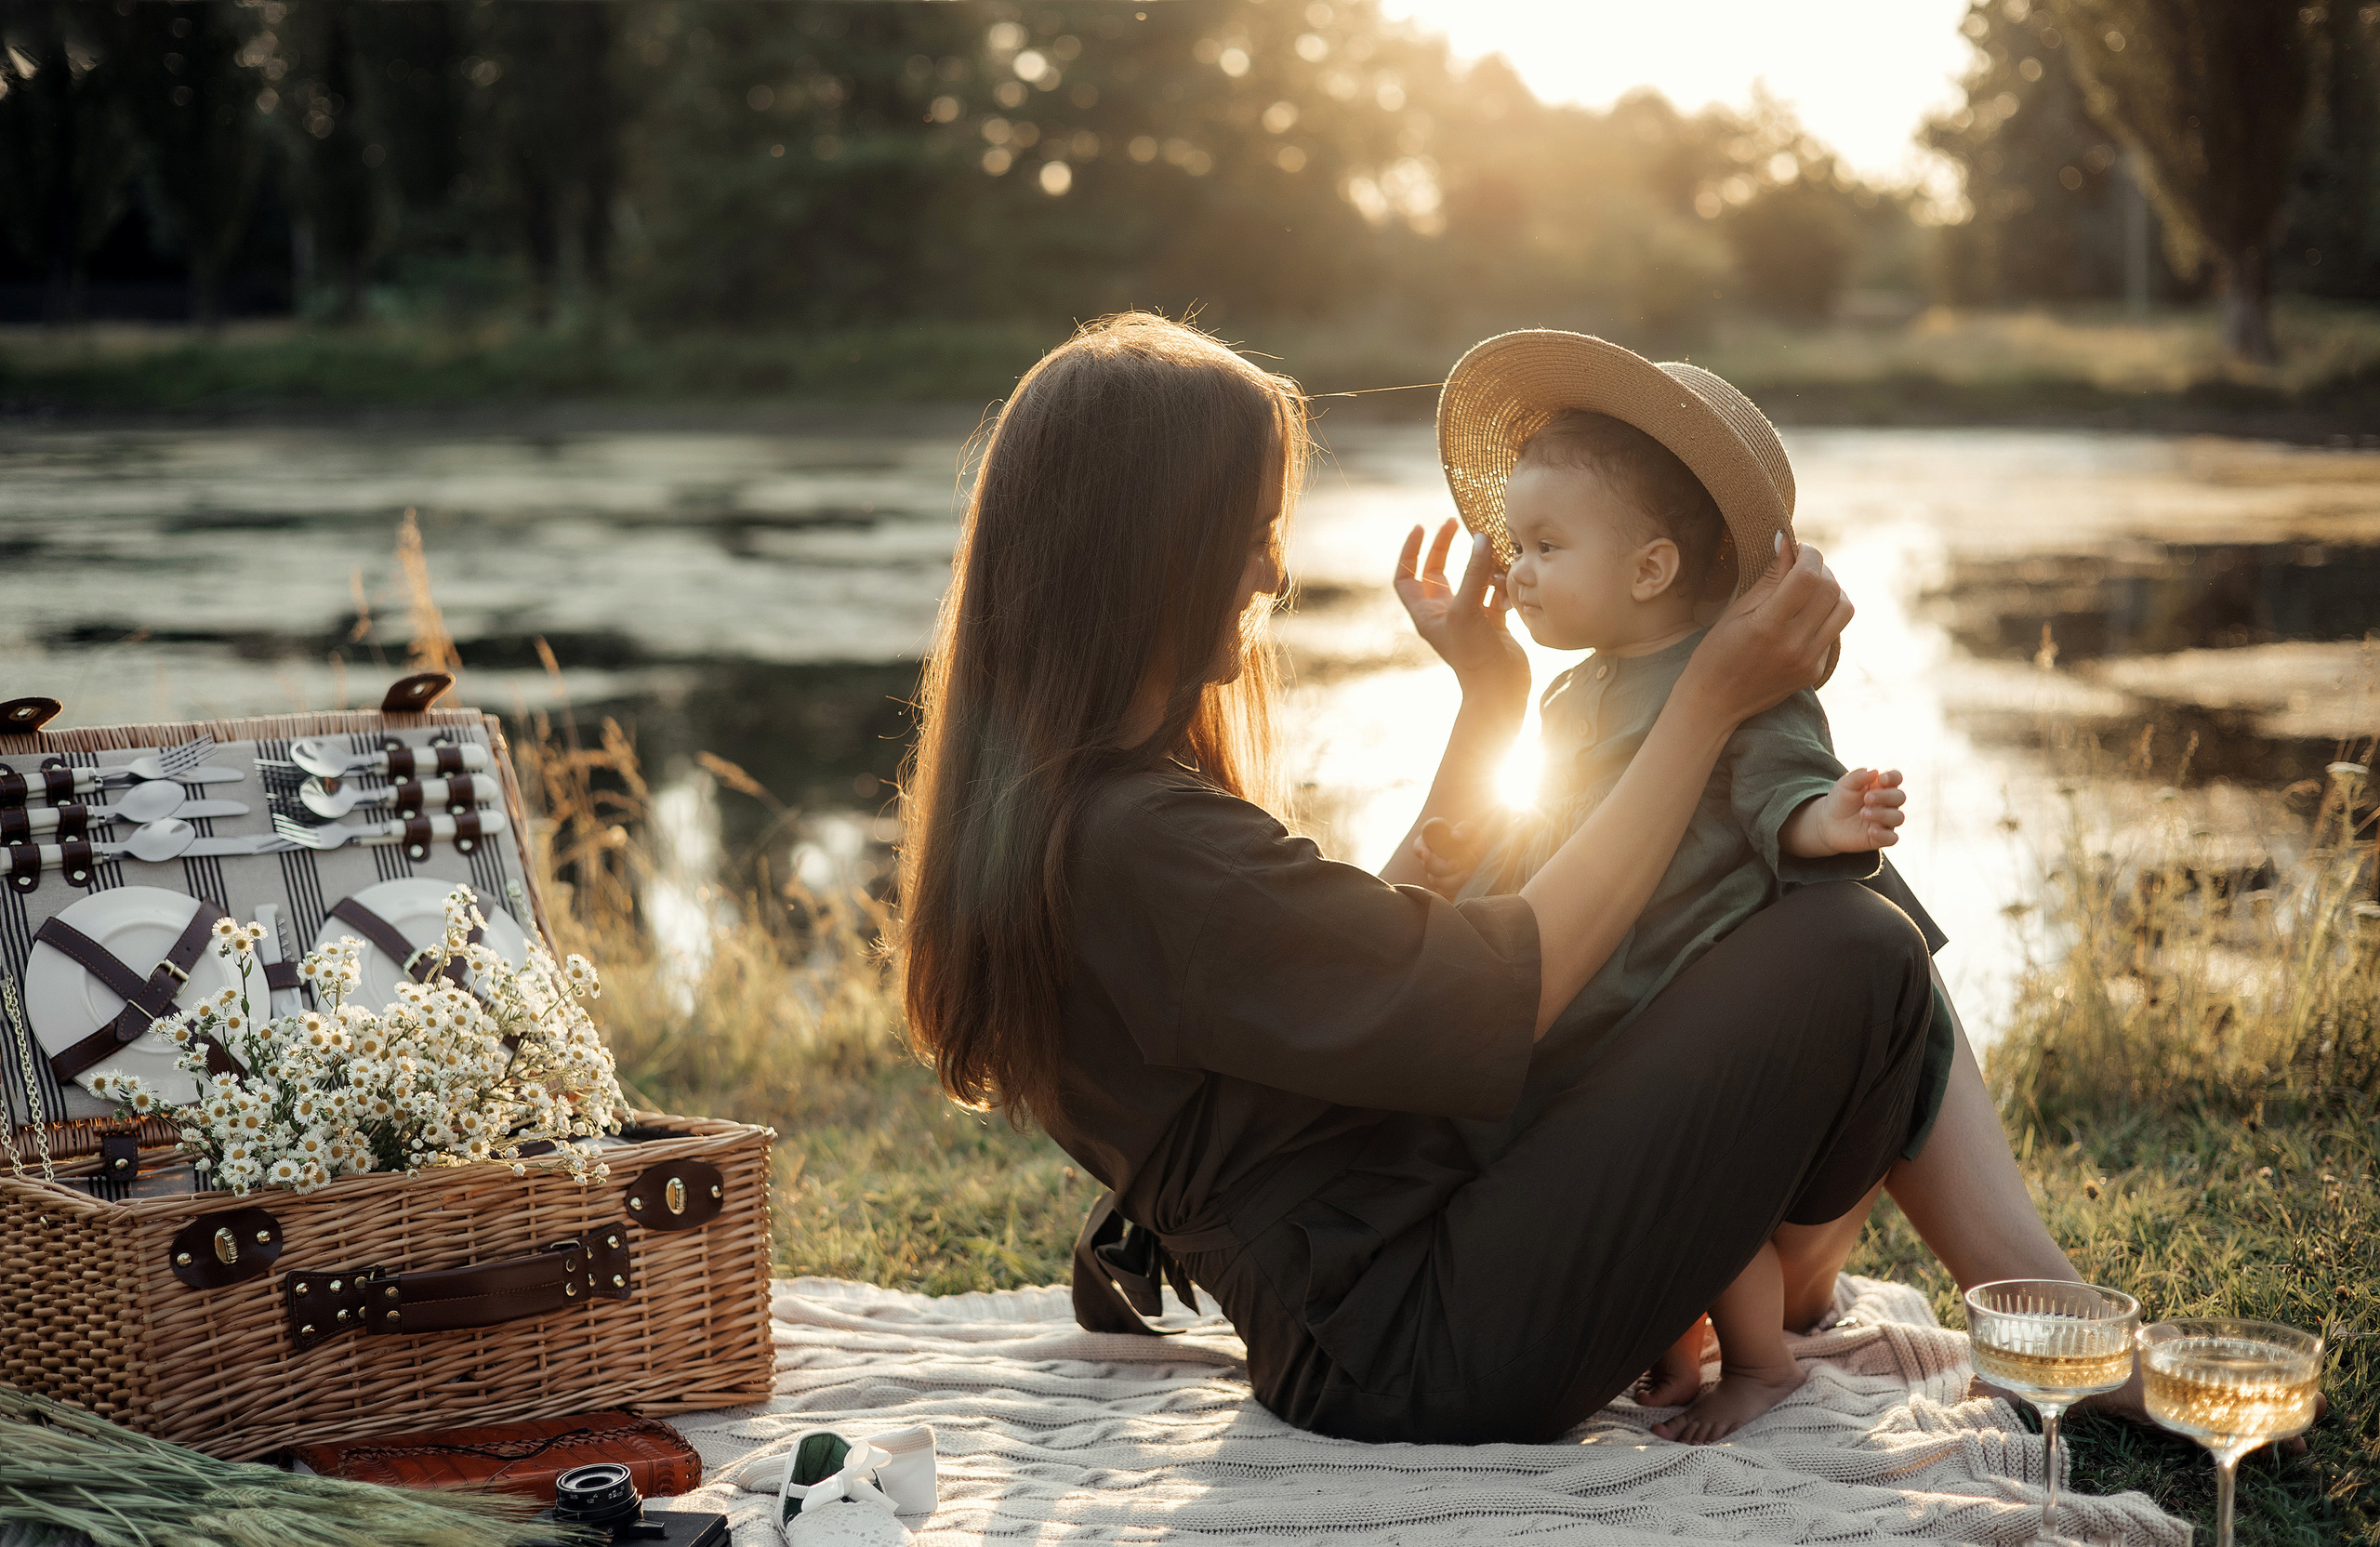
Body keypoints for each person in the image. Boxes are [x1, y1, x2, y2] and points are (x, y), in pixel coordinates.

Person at [897, 311, 2123, 1447]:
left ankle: (1901, 1296)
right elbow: (1493, 984)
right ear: (1150, 553)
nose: (1271, 577)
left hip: (1383, 1292)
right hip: (1416, 1337)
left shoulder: (1078, 818)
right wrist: (1706, 699)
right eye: (1253, 535)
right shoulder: (1131, 839)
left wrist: (1490, 703)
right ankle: (1974, 1308)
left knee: (1814, 904)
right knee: (1854, 942)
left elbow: (1337, 975)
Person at [1408, 337, 1940, 1442]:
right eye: (1517, 543)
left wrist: (1825, 817)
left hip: (1672, 1000)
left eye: (1547, 546)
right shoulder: (1572, 700)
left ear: (1650, 569)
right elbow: (1546, 835)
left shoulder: (1737, 687)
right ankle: (1666, 1342)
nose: (1517, 570)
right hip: (1590, 991)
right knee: (1564, 1154)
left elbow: (1778, 785)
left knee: (1709, 1210)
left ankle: (1759, 1366)